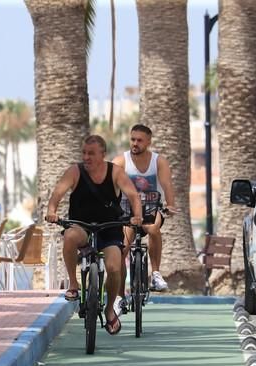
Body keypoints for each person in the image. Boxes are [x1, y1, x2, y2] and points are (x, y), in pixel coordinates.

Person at [45, 135, 142, 335]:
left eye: (91, 153)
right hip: (82, 226)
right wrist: (52, 211)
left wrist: (137, 216)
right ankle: (73, 283)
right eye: (84, 153)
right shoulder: (75, 171)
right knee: (70, 236)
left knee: (114, 267)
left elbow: (133, 195)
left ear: (102, 154)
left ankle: (109, 310)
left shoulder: (115, 172)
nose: (86, 157)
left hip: (110, 227)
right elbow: (57, 193)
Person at [112, 124, 177, 309]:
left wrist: (170, 206)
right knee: (122, 249)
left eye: (140, 140)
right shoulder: (121, 161)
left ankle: (155, 274)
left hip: (151, 209)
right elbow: (109, 187)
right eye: (133, 139)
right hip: (128, 211)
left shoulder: (158, 162)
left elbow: (167, 185)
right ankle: (119, 297)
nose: (135, 143)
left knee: (153, 228)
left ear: (148, 142)